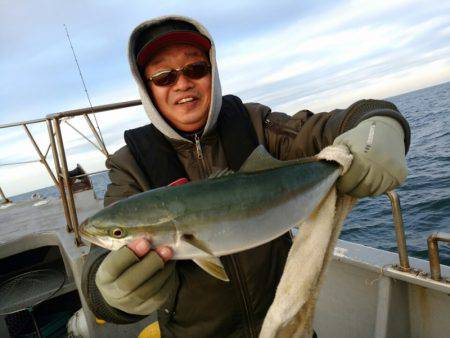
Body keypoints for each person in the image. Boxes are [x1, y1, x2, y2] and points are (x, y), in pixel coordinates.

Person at [81, 15, 410, 338]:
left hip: (287, 327)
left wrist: (379, 123)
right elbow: (100, 267)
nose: (182, 83)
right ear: (148, 89)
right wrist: (108, 293)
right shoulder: (130, 164)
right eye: (164, 77)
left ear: (213, 72)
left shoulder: (255, 124)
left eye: (196, 69)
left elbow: (328, 127)